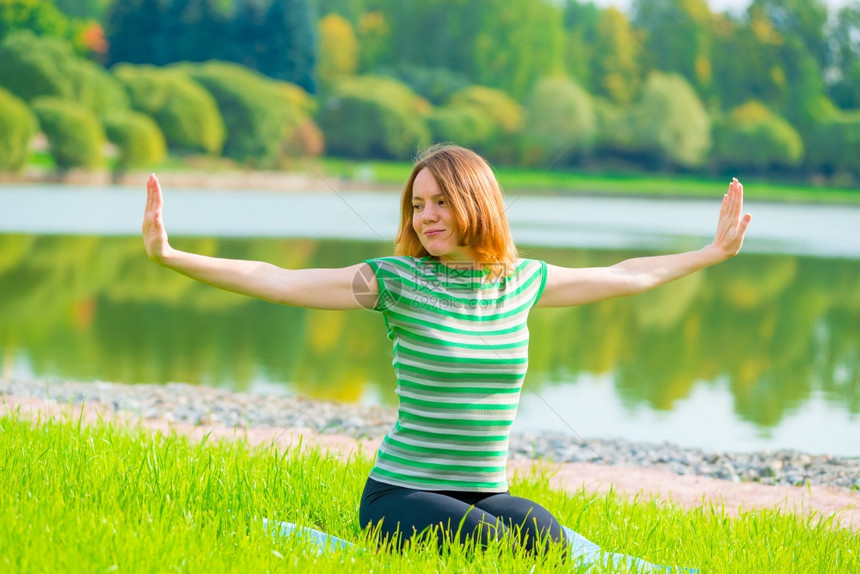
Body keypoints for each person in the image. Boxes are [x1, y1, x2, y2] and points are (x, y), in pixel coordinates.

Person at [142, 144, 751, 557]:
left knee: (546, 542)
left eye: (440, 202)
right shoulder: (394, 281)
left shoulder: (523, 281)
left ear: (475, 204)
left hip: (484, 488)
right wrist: (172, 256)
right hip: (400, 495)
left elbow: (627, 273)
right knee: (492, 548)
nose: (425, 216)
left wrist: (709, 253)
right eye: (416, 204)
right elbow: (275, 278)